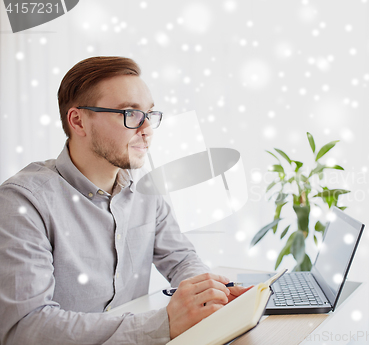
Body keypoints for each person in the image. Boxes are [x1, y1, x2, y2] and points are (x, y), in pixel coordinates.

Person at [0, 56, 250, 344]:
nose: (146, 130)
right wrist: (164, 323)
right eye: (130, 114)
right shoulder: (22, 203)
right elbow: (25, 328)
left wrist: (208, 294)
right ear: (78, 121)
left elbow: (180, 258)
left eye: (150, 114)